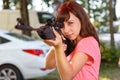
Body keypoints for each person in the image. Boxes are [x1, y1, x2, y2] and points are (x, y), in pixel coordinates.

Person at [43, 1, 101, 80]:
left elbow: (67, 77)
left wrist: (58, 47)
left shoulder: (88, 42)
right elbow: (48, 65)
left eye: (70, 23)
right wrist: (54, 47)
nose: (66, 30)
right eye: (62, 26)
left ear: (81, 20)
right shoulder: (72, 42)